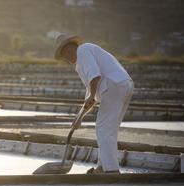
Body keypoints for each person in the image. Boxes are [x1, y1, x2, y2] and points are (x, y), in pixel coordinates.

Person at [54, 34, 134, 174]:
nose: (66, 60)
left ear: (69, 49)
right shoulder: (82, 60)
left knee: (103, 129)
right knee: (109, 130)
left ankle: (110, 171)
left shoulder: (83, 50)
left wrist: (92, 95)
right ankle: (103, 167)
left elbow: (95, 76)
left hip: (113, 85)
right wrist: (79, 117)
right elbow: (90, 94)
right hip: (123, 85)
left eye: (65, 56)